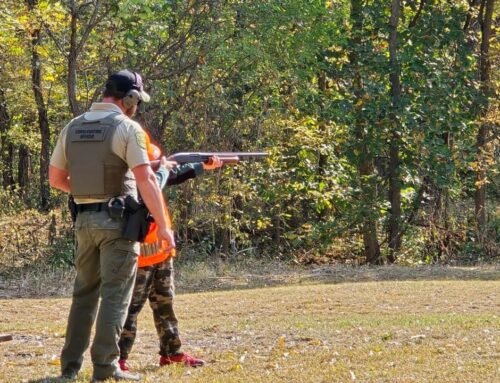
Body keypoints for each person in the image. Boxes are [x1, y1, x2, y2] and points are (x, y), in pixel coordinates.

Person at [49, 69, 175, 382]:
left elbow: (56, 179)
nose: (138, 106)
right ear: (129, 97)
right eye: (137, 100)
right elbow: (145, 179)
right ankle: (105, 368)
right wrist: (163, 225)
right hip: (118, 224)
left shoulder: (73, 126)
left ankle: (69, 370)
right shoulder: (126, 127)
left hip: (84, 221)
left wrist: (87, 191)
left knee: (84, 295)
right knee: (116, 295)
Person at [117, 138, 223, 371]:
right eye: (153, 161)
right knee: (130, 309)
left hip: (160, 251)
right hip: (141, 253)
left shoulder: (155, 176)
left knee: (165, 305)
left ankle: (172, 353)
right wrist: (163, 169)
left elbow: (172, 176)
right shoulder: (132, 179)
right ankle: (118, 359)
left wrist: (202, 165)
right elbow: (157, 180)